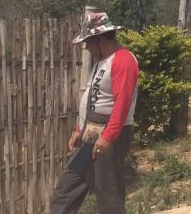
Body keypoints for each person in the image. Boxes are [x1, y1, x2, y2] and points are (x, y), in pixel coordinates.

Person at [50, 12, 139, 214]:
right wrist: (79, 129)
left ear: (100, 39)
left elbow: (122, 103)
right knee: (67, 189)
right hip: (91, 133)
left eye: (88, 42)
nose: (87, 47)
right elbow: (94, 98)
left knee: (108, 194)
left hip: (110, 134)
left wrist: (108, 136)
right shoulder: (102, 60)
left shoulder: (123, 60)